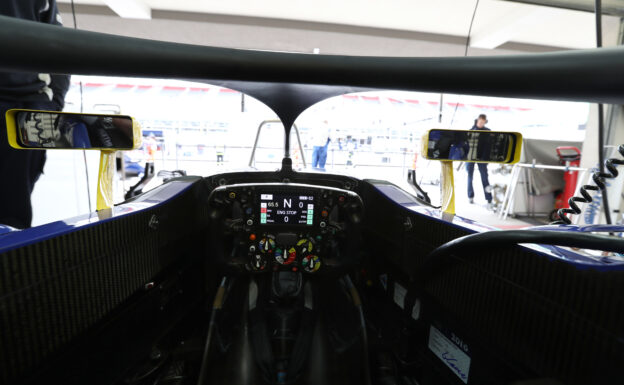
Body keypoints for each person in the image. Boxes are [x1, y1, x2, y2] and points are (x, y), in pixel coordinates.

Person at [0, 0, 70, 229]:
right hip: (25, 107)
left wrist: (52, 110)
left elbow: (60, 50)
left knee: (12, 220)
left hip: (27, 109)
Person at [466, 114, 493, 207]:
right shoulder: (471, 130)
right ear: (477, 120)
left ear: (485, 121)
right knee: (470, 177)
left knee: (485, 178)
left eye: (483, 122)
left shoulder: (488, 131)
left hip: (482, 158)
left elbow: (490, 147)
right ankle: (470, 196)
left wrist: (488, 159)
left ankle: (489, 198)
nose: (481, 123)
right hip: (470, 157)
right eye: (480, 121)